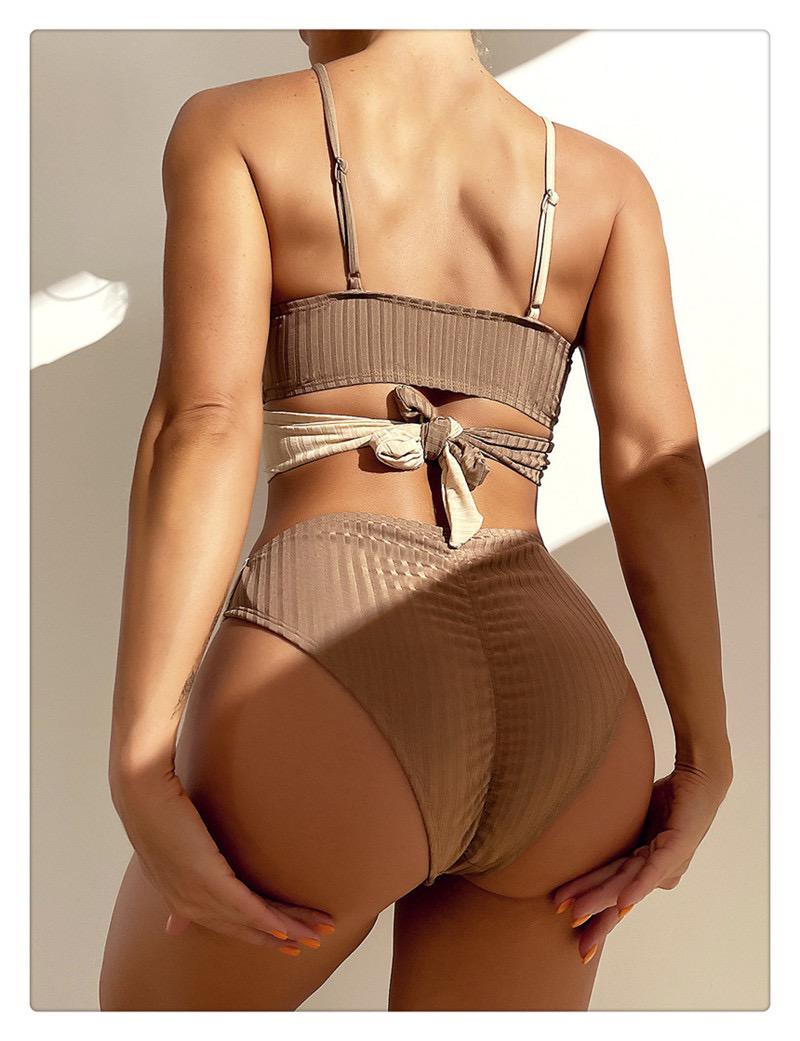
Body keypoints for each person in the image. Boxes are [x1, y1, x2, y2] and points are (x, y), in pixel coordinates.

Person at [98, 29, 733, 1011]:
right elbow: (663, 468)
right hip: (567, 705)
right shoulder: (606, 185)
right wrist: (705, 755)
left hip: (327, 656)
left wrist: (140, 755)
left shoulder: (236, 128)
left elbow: (204, 424)